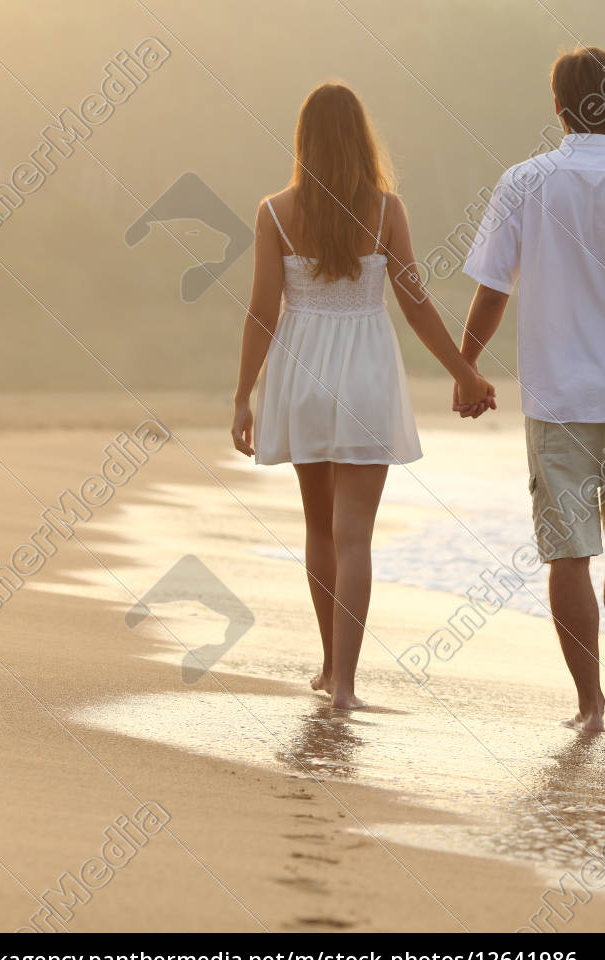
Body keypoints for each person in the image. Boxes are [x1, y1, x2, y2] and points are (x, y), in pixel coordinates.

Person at [458, 46, 605, 731]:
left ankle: (590, 704)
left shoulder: (523, 181)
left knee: (567, 551)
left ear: (557, 107)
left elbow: (492, 289)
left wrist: (466, 366)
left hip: (557, 398)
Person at [231, 81, 494, 710]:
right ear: (360, 139)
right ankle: (345, 683)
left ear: (303, 141)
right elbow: (415, 304)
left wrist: (243, 396)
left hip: (300, 375)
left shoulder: (274, 212)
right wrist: (465, 371)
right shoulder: (385, 210)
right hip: (368, 372)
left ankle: (328, 668)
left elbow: (263, 312)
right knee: (355, 537)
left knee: (319, 529)